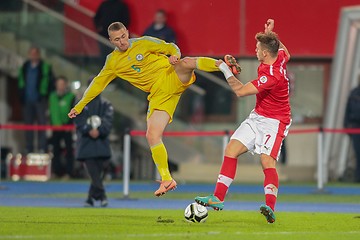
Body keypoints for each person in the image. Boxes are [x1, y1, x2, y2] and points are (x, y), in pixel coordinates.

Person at [68, 21, 241, 197]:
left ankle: (222, 65)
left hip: (170, 75)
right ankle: (167, 179)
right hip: (159, 95)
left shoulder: (144, 42)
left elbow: (170, 47)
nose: (122, 42)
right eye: (117, 40)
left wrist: (174, 55)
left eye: (123, 36)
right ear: (111, 41)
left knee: (186, 62)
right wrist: (80, 105)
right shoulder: (112, 62)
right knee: (152, 135)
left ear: (127, 32)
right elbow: (98, 84)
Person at [195, 19, 291, 224]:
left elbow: (240, 91)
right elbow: (285, 52)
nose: (255, 50)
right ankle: (218, 198)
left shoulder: (271, 77)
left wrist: (224, 69)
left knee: (267, 162)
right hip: (257, 116)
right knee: (231, 149)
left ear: (265, 53)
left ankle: (270, 207)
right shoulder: (279, 57)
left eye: (257, 48)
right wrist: (272, 36)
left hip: (275, 121)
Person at [74, 79, 114, 207]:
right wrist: (89, 130)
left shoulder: (106, 104)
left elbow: (108, 121)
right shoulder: (81, 103)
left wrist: (100, 131)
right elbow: (78, 120)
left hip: (102, 143)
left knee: (98, 173)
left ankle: (90, 199)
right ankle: (103, 196)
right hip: (87, 143)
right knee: (94, 173)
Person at [18, 46, 54, 153]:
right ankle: (29, 148)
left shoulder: (45, 66)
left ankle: (42, 148)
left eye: (35, 53)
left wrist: (45, 96)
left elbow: (50, 83)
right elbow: (20, 83)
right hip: (27, 100)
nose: (33, 55)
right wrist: (22, 96)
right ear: (29, 54)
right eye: (31, 53)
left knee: (42, 124)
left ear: (38, 54)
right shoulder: (24, 67)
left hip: (40, 100)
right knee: (28, 125)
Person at [49, 76, 76, 178]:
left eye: (62, 84)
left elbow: (74, 111)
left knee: (69, 150)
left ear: (66, 85)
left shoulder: (71, 96)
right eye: (59, 84)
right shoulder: (52, 96)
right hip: (55, 127)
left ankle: (69, 172)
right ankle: (57, 171)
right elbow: (51, 111)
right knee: (56, 150)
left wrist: (70, 124)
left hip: (67, 127)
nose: (60, 86)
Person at [344, 81, 360, 183]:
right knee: (358, 153)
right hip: (355, 126)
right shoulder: (354, 93)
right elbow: (347, 111)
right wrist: (346, 125)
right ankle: (358, 177)